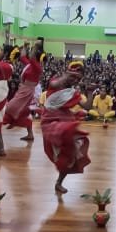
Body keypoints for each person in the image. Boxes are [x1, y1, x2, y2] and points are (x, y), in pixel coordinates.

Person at [41, 61, 92, 194]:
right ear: (67, 73)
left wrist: (90, 92)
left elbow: (87, 107)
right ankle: (59, 181)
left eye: (78, 79)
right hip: (51, 122)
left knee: (70, 154)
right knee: (61, 153)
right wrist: (67, 75)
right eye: (73, 77)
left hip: (65, 120)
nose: (75, 80)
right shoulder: (55, 82)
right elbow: (55, 84)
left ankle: (59, 183)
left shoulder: (73, 93)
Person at [3, 41, 43, 141]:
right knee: (24, 112)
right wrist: (25, 46)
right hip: (24, 89)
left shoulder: (37, 67)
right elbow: (22, 56)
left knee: (11, 107)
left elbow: (31, 56)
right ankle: (30, 134)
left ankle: (11, 121)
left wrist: (35, 46)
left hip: (28, 91)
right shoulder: (31, 65)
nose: (31, 55)